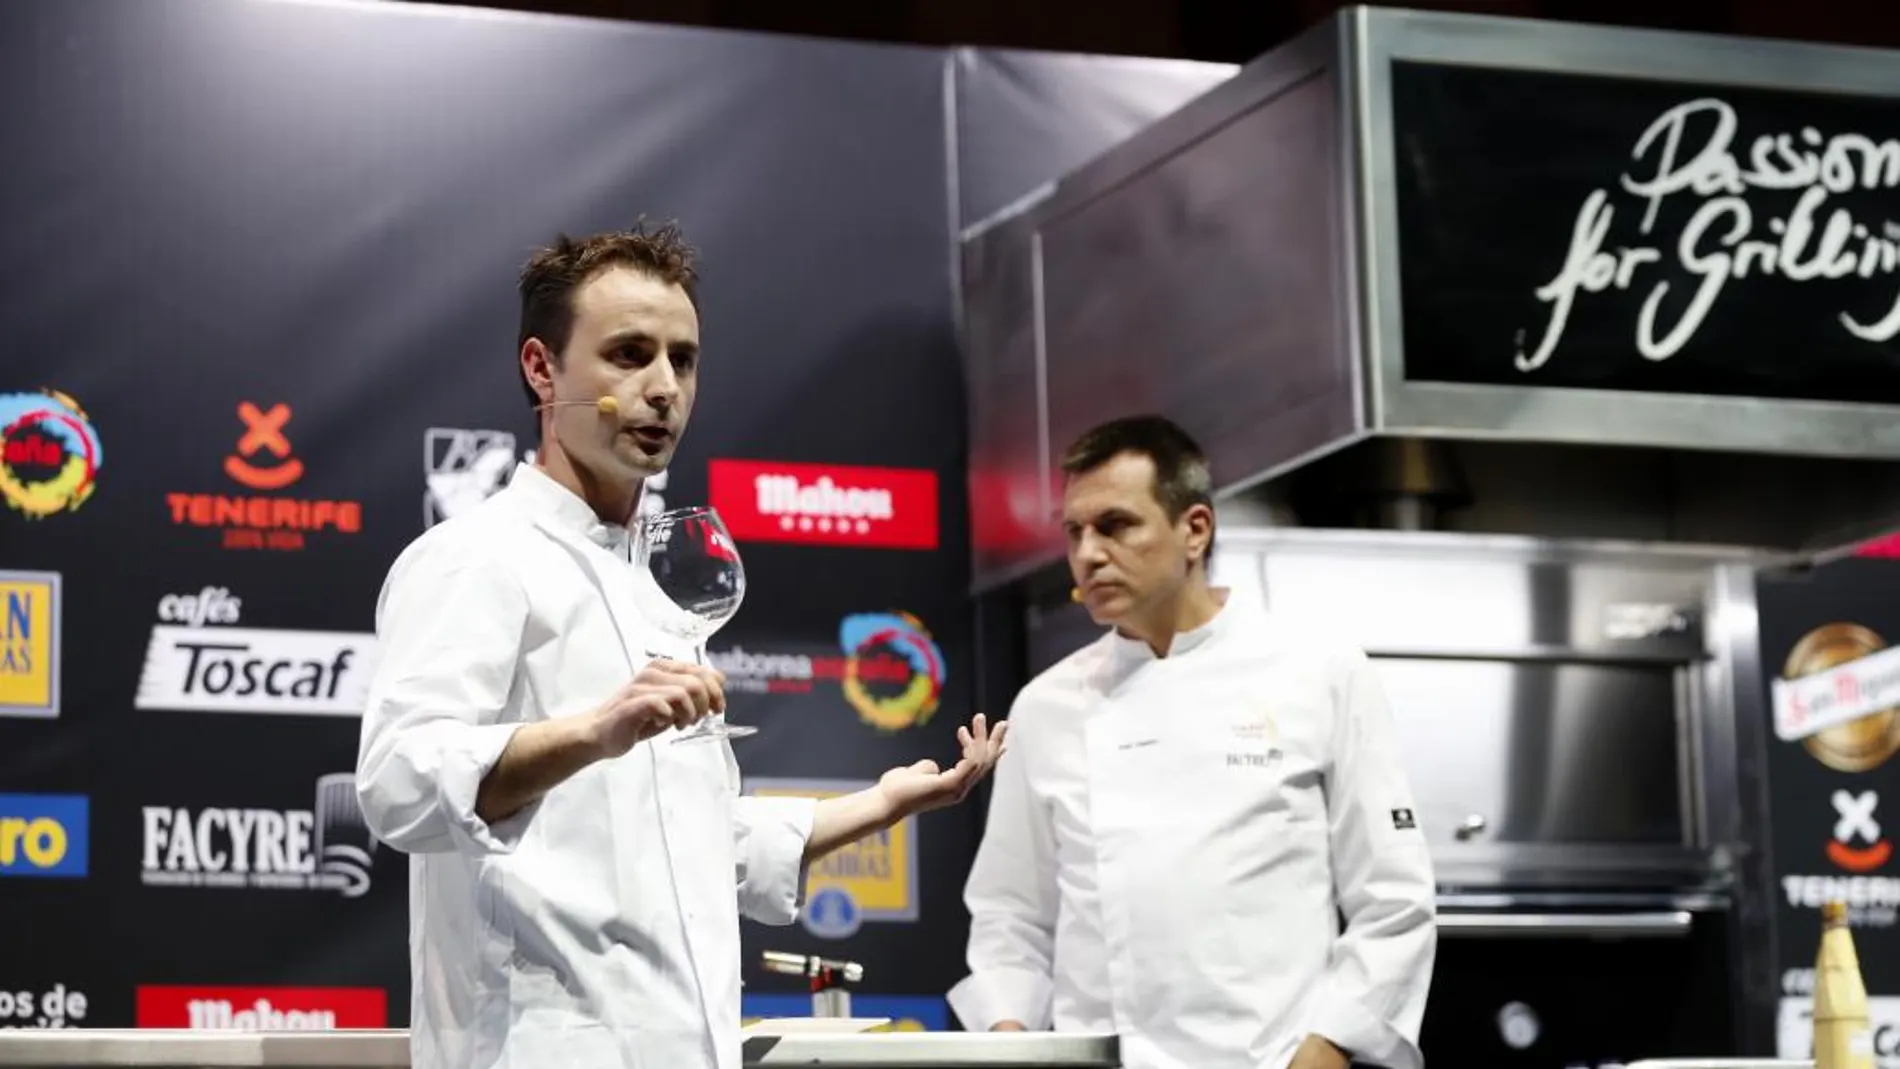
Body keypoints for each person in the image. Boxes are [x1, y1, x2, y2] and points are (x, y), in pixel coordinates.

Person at [355, 222, 1006, 1069]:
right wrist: (594, 731)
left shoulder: (654, 587)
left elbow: (694, 844)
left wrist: (883, 803)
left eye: (683, 359)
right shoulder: (475, 556)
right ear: (541, 369)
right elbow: (397, 784)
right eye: (628, 354)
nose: (664, 387)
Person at [947, 415, 1435, 1069]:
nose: (1088, 553)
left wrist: (1329, 1045)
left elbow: (1393, 896)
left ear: (1194, 529)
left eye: (1115, 525)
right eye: (1074, 531)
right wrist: (1010, 1034)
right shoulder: (1046, 708)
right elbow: (1011, 913)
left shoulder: (1318, 670)